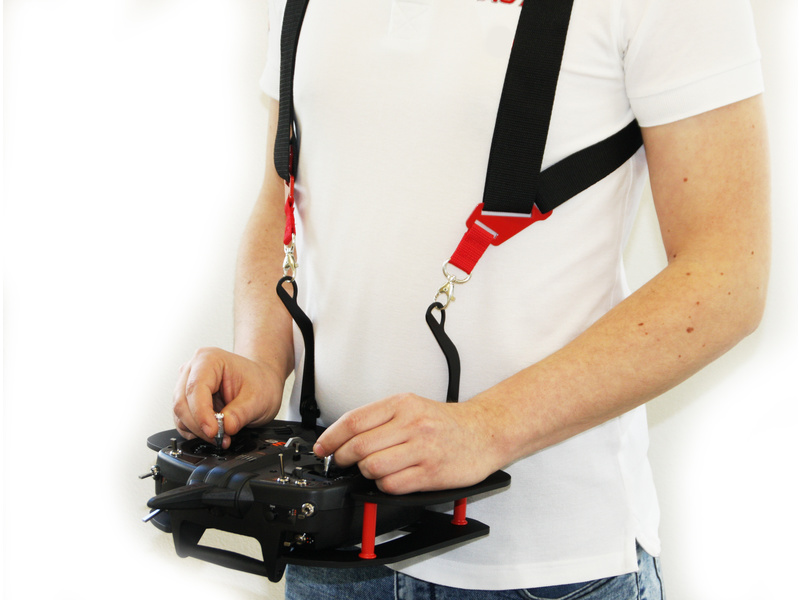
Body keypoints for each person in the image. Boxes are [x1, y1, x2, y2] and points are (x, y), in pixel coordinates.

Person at [172, 0, 770, 597]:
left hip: (545, 567)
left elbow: (726, 276)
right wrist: (261, 359)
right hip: (329, 538)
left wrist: (489, 427)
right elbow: (284, 194)